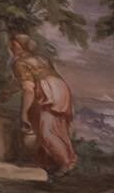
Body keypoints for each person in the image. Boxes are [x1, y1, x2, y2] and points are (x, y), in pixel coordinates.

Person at [8, 33, 77, 176]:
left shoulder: (19, 63)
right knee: (55, 127)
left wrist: (24, 113)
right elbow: (27, 80)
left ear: (22, 46)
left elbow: (28, 89)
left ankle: (66, 163)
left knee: (46, 131)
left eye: (14, 45)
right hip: (60, 88)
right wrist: (7, 91)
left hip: (47, 91)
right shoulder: (41, 58)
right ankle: (49, 162)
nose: (11, 48)